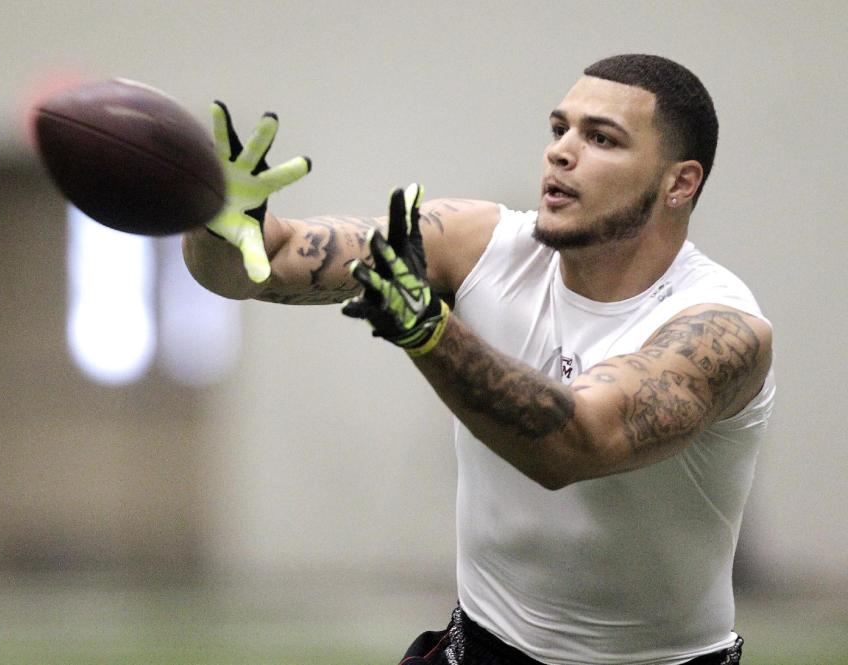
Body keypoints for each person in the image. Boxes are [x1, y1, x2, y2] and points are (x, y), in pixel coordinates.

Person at [183, 54, 773, 665]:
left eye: (601, 138)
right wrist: (217, 228)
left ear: (679, 183)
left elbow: (577, 443)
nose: (561, 152)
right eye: (559, 129)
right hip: (482, 648)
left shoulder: (721, 328)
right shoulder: (482, 241)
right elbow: (260, 265)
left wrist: (432, 334)